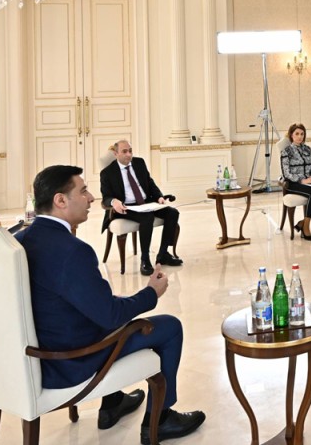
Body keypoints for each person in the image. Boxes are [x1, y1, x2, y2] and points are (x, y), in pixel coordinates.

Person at [15, 165, 204, 443]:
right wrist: (151, 293)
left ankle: (113, 403)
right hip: (73, 361)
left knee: (112, 310)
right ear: (60, 200)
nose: (91, 198)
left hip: (41, 353)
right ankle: (161, 419)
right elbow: (111, 316)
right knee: (170, 327)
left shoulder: (21, 239)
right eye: (83, 191)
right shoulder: (73, 251)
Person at [100, 140, 182, 276]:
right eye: (124, 152)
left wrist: (159, 197)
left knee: (172, 213)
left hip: (145, 203)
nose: (129, 154)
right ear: (115, 154)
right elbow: (106, 197)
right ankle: (145, 259)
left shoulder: (139, 163)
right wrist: (114, 202)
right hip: (126, 208)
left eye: (130, 151)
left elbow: (150, 182)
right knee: (147, 217)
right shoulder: (107, 173)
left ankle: (163, 254)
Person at [280, 123, 311, 241]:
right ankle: (306, 227)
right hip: (293, 183)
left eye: (302, 134)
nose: (300, 136)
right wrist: (302, 180)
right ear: (291, 135)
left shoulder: (308, 149)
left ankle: (303, 222)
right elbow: (286, 173)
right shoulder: (286, 151)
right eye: (297, 134)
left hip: (308, 182)